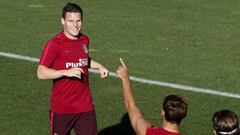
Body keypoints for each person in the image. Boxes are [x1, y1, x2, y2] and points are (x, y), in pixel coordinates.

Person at [37, 2, 108, 135]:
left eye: (78, 20)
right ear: (62, 21)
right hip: (62, 109)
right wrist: (66, 72)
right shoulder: (54, 44)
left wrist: (99, 66)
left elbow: (82, 60)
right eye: (71, 21)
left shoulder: (84, 40)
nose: (75, 25)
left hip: (85, 106)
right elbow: (41, 72)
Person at [116, 58, 188, 135]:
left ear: (163, 112)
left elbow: (130, 106)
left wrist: (125, 78)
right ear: (183, 116)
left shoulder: (147, 131)